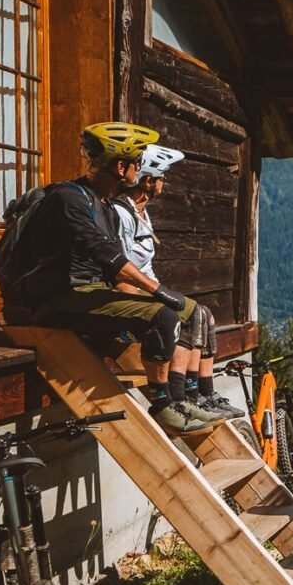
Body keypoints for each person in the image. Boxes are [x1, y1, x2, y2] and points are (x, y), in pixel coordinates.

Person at [13, 122, 208, 435]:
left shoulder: (101, 203)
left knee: (188, 311)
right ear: (121, 166)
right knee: (163, 315)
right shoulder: (69, 197)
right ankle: (162, 405)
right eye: (137, 163)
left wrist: (151, 294)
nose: (140, 169)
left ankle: (180, 397)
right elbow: (103, 252)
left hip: (89, 294)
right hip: (58, 299)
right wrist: (156, 291)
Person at [111, 143, 245, 420]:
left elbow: (145, 266)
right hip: (128, 293)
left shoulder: (142, 214)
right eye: (162, 177)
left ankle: (203, 393)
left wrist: (165, 293)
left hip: (145, 287)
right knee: (187, 315)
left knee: (203, 315)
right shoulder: (122, 214)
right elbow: (119, 268)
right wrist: (150, 299)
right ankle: (180, 396)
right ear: (149, 180)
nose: (164, 183)